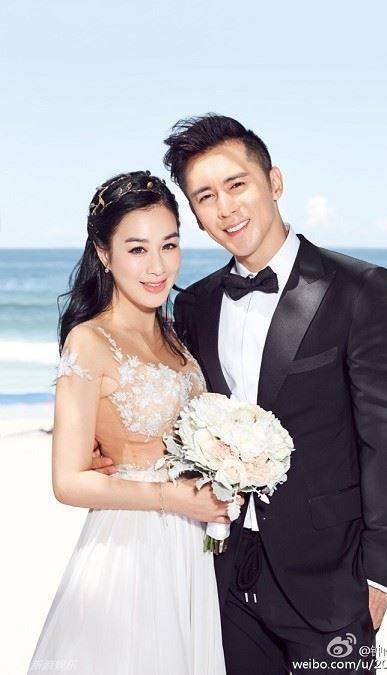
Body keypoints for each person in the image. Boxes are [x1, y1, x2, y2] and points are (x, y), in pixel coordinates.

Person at [160, 115, 387, 674]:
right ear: (196, 215)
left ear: (274, 182)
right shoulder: (195, 305)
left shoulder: (360, 289)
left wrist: (383, 574)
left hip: (334, 580)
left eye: (237, 185)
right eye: (205, 197)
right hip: (226, 572)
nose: (225, 208)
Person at [29, 171, 230, 675]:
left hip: (191, 548)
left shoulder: (177, 335)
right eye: (137, 249)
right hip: (132, 547)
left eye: (169, 245)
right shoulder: (89, 342)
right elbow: (68, 482)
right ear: (104, 253)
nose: (158, 267)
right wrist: (171, 498)